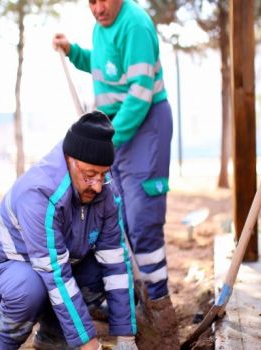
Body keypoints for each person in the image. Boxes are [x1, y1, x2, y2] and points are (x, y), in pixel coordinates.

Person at [52, 0, 177, 341]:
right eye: (90, 1)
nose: (97, 8)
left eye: (103, 0)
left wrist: (107, 142)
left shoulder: (135, 24)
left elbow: (139, 94)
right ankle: (133, 300)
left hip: (143, 125)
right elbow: (105, 66)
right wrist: (74, 52)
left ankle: (159, 307)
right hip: (116, 130)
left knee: (141, 219)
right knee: (115, 218)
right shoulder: (102, 24)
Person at [0, 111, 138, 350]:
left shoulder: (106, 190)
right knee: (27, 288)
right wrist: (89, 344)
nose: (98, 186)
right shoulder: (38, 194)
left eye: (104, 174)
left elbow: (116, 263)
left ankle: (53, 338)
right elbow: (56, 274)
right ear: (70, 160)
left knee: (100, 269)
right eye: (90, 176)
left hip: (54, 270)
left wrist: (125, 337)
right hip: (3, 272)